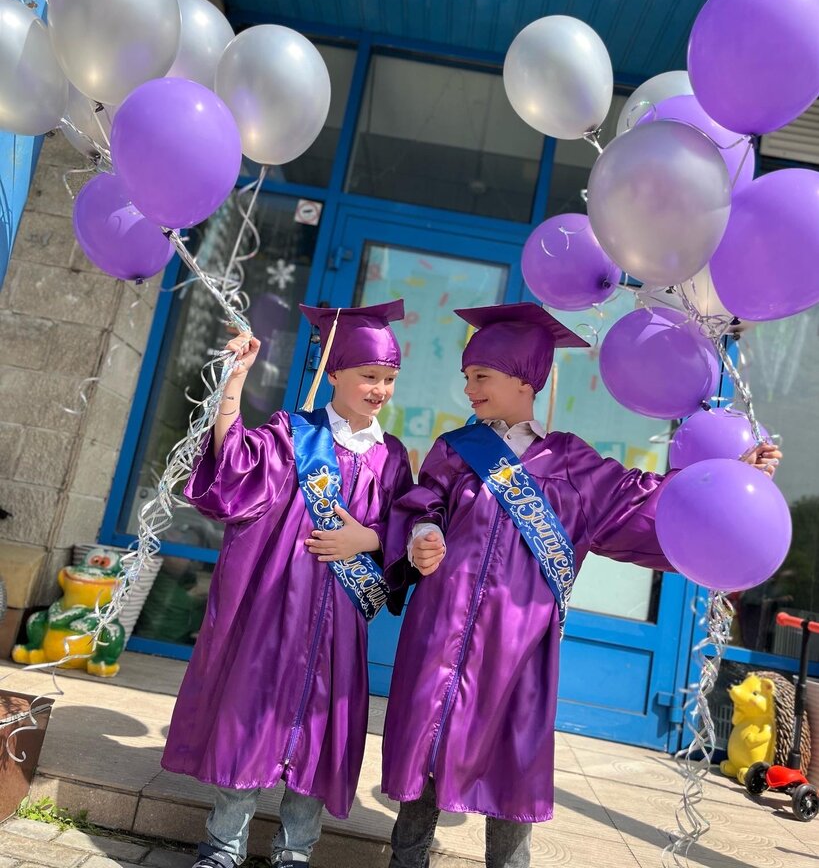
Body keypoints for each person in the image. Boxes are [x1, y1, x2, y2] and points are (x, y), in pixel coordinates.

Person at [381, 302, 781, 868]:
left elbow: (651, 502)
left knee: (510, 768)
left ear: (525, 378)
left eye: (481, 376)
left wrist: (736, 477)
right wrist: (422, 532)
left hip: (520, 646)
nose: (469, 388)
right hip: (442, 635)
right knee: (427, 754)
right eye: (467, 377)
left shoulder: (572, 465)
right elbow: (421, 503)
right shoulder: (454, 451)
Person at [162, 301, 413, 868]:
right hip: (278, 611)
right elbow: (231, 467)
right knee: (253, 719)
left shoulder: (392, 457)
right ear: (335, 373)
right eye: (369, 376)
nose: (379, 389)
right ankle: (223, 848)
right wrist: (237, 380)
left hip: (339, 623)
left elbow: (403, 528)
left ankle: (294, 854)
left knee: (320, 736)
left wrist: (369, 541)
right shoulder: (292, 434)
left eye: (389, 379)